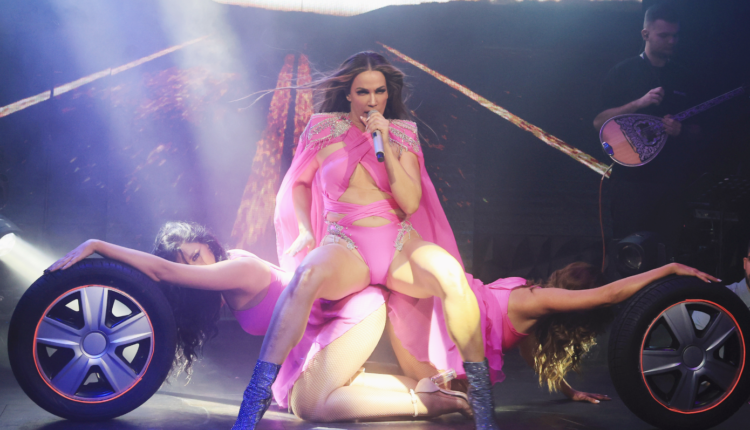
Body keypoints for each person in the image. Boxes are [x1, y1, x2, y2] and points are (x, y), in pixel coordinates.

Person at [238, 51, 499, 430]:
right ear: (348, 93)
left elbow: (410, 202)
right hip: (346, 244)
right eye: (363, 92)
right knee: (307, 276)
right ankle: (254, 398)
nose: (372, 100)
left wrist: (386, 143)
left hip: (397, 242)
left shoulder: (403, 133)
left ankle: (483, 401)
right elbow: (299, 183)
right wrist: (306, 229)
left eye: (380, 92)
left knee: (450, 274)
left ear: (388, 94)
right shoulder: (322, 128)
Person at [593, 3, 701, 253]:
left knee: (668, 250)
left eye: (675, 35)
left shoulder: (684, 76)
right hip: (630, 182)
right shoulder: (622, 73)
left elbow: (700, 130)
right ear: (646, 34)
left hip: (672, 182)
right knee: (628, 250)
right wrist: (638, 103)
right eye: (664, 35)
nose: (672, 41)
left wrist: (681, 131)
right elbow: (599, 122)